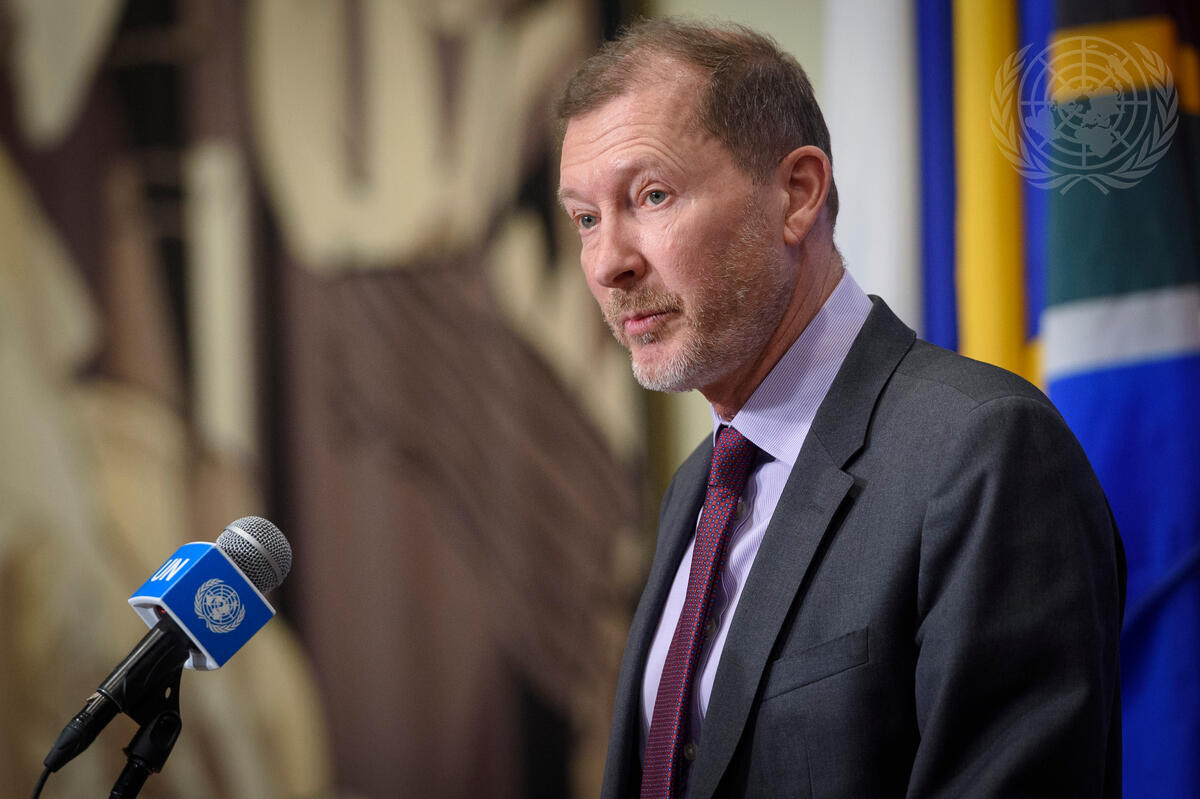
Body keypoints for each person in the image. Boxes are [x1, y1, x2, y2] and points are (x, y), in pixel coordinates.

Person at [555, 18, 1125, 799]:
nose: (607, 263)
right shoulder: (699, 485)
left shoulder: (984, 452)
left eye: (652, 195)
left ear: (796, 193)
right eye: (586, 218)